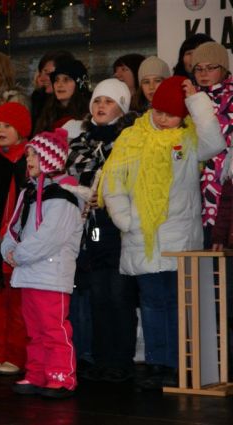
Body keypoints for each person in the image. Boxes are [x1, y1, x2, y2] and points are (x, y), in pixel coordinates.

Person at [99, 76, 226, 390]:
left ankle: (176, 363)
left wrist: (197, 101)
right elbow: (113, 183)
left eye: (171, 114)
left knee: (177, 302)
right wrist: (127, 221)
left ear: (182, 116)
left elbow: (216, 142)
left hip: (179, 239)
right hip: (142, 238)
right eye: (159, 112)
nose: (163, 119)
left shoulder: (189, 140)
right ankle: (157, 362)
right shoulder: (131, 137)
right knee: (153, 302)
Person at [1, 128, 83, 399]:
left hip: (50, 274)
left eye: (35, 154)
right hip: (28, 274)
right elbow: (13, 227)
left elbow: (50, 237)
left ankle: (62, 376)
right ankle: (37, 373)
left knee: (53, 328)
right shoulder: (29, 192)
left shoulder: (64, 198)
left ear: (50, 158)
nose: (29, 160)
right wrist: (8, 249)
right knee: (34, 329)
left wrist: (19, 255)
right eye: (28, 155)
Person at [66, 78, 138, 383]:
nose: (101, 106)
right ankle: (100, 357)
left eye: (109, 102)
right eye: (97, 101)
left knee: (119, 294)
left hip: (119, 227)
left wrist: (103, 189)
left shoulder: (131, 140)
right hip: (91, 228)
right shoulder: (81, 143)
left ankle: (120, 359)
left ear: (121, 107)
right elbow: (77, 175)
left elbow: (128, 176)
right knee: (97, 294)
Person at [0, 102, 32, 377]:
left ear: (21, 129)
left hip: (22, 242)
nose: (0, 131)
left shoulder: (29, 160)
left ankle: (15, 353)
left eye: (7, 126)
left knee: (18, 305)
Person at [191, 41, 233, 242]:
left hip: (225, 191)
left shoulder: (231, 98)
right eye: (198, 69)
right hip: (197, 191)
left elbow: (221, 141)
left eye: (210, 67)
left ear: (223, 68)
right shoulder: (190, 98)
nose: (203, 73)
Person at [34, 59, 91, 137]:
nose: (59, 85)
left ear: (79, 85)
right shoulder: (47, 112)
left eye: (66, 80)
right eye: (56, 80)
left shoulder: (90, 113)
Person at [30, 51, 75, 126]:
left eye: (48, 74)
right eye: (41, 73)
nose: (42, 78)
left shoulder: (87, 108)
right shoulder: (39, 101)